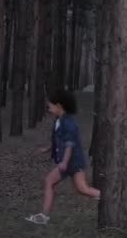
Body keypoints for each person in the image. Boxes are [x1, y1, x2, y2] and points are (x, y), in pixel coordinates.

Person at [25, 89, 101, 225]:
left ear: (59, 106)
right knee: (50, 182)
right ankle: (44, 216)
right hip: (67, 163)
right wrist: (47, 148)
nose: (49, 108)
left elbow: (70, 144)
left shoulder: (68, 123)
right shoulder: (58, 120)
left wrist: (64, 162)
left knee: (82, 189)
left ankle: (108, 198)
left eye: (50, 105)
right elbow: (58, 139)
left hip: (73, 162)